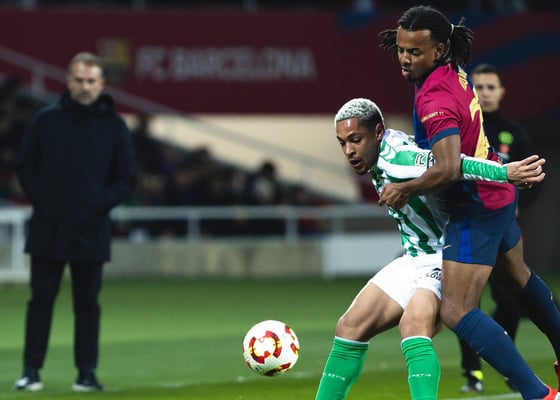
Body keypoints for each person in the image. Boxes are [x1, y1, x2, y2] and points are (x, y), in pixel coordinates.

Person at [378, 6, 560, 400]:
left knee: (456, 310)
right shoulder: (452, 70)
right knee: (518, 279)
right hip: (496, 194)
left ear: (439, 49)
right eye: (401, 49)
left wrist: (405, 189)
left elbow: (446, 168)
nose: (405, 59)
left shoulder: (434, 98)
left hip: (474, 205)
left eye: (415, 52)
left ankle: (538, 394)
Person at [314, 97, 544, 400]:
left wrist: (505, 173)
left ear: (378, 132)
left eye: (355, 140)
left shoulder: (400, 158)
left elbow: (455, 165)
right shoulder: (380, 154)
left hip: (444, 255)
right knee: (349, 327)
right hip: (414, 257)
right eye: (342, 143)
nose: (348, 151)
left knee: (413, 325)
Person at [13, 52, 136, 392]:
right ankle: (30, 371)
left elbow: (127, 179)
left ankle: (86, 374)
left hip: (91, 228)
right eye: (79, 80)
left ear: (102, 84)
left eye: (91, 81)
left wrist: (97, 203)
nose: (85, 86)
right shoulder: (46, 120)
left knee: (87, 306)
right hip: (48, 227)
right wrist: (44, 200)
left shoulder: (115, 127)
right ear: (68, 82)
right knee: (40, 301)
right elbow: (24, 165)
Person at [458, 63, 543, 393]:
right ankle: (472, 373)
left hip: (503, 229)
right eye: (478, 87)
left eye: (491, 87)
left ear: (501, 91)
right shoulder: (463, 127)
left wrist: (520, 202)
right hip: (468, 225)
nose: (485, 92)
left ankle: (506, 363)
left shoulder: (513, 133)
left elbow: (536, 174)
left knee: (509, 302)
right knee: (466, 303)